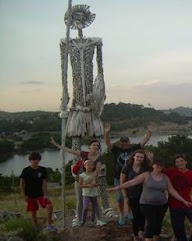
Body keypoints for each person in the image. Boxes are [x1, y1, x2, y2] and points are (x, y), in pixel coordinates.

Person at [108, 158, 192, 241]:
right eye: (157, 165)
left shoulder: (165, 177)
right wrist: (117, 188)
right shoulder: (146, 175)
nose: (159, 167)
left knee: (158, 223)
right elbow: (131, 182)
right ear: (153, 166)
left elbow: (172, 190)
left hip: (162, 205)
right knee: (151, 223)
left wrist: (183, 200)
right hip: (147, 204)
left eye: (161, 165)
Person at [60, 4, 106, 137]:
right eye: (76, 18)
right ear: (72, 21)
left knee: (95, 134)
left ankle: (95, 152)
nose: (79, 21)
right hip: (77, 95)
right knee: (76, 134)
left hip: (90, 94)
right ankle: (77, 157)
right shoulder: (67, 42)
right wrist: (64, 98)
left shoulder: (93, 42)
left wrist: (100, 91)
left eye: (81, 18)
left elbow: (100, 67)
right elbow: (64, 71)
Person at [104, 122, 153, 225]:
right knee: (120, 197)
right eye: (123, 141)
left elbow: (144, 141)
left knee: (132, 196)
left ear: (129, 142)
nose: (124, 143)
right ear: (120, 142)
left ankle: (130, 211)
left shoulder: (134, 149)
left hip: (132, 177)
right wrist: (107, 132)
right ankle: (122, 214)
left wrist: (149, 132)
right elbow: (107, 142)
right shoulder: (116, 150)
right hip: (118, 177)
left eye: (126, 141)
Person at [50, 137, 107, 227]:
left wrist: (91, 179)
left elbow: (97, 170)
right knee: (80, 201)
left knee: (95, 202)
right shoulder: (84, 154)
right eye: (94, 145)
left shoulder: (100, 157)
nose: (96, 147)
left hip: (92, 183)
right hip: (80, 179)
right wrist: (56, 145)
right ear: (89, 147)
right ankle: (78, 219)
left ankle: (99, 219)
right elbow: (70, 151)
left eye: (97, 145)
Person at [163, 154, 192, 241]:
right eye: (177, 162)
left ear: (186, 162)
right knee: (178, 226)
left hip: (188, 203)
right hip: (174, 204)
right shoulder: (170, 172)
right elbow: (156, 170)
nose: (179, 163)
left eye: (181, 161)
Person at [120, 149, 151, 241]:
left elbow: (154, 172)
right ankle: (136, 235)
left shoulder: (145, 167)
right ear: (133, 157)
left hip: (144, 195)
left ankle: (141, 232)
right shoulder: (127, 167)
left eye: (141, 157)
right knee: (135, 215)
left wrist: (151, 159)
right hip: (132, 194)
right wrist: (125, 197)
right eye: (137, 156)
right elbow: (122, 183)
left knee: (143, 214)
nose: (139, 158)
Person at [19, 152, 56, 231]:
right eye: (33, 159)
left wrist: (46, 194)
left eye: (37, 159)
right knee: (33, 212)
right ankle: (36, 228)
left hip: (40, 193)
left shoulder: (42, 170)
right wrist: (24, 195)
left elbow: (44, 182)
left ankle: (49, 223)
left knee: (49, 205)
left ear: (39, 160)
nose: (35, 161)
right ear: (30, 160)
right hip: (30, 194)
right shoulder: (26, 171)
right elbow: (22, 183)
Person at [79, 160, 101, 227]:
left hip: (94, 193)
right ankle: (83, 220)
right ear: (85, 166)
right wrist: (87, 186)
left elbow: (98, 183)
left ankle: (92, 221)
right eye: (88, 165)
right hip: (86, 194)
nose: (90, 166)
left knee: (94, 207)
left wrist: (95, 184)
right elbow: (80, 185)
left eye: (91, 165)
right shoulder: (82, 175)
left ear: (94, 166)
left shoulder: (95, 174)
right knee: (85, 207)